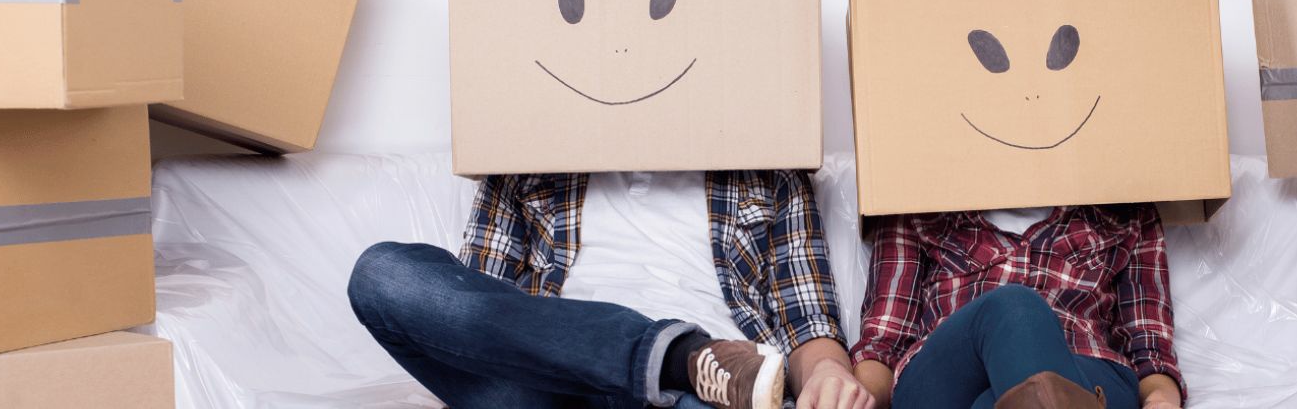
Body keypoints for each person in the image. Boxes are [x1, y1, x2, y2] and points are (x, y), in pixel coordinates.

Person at [348, 170, 874, 409]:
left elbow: (808, 320)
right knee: (382, 273)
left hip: (706, 395)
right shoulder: (522, 163)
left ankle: (678, 365)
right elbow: (478, 309)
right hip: (547, 382)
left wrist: (829, 375)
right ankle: (675, 355)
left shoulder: (768, 169)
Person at [851, 204, 1185, 409]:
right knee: (1014, 309)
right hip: (945, 379)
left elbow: (1150, 345)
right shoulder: (911, 204)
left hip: (1086, 371)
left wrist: (1161, 400)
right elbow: (885, 342)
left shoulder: (1128, 211)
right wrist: (855, 397)